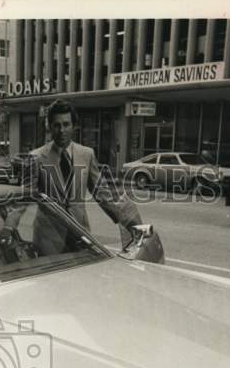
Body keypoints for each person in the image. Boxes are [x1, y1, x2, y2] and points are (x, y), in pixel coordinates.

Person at [20, 99, 141, 253]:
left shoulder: (87, 154)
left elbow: (101, 194)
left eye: (66, 124)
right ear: (50, 127)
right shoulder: (35, 157)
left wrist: (128, 222)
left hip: (80, 235)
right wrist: (9, 226)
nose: (62, 130)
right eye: (57, 125)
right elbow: (23, 197)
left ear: (74, 126)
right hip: (48, 237)